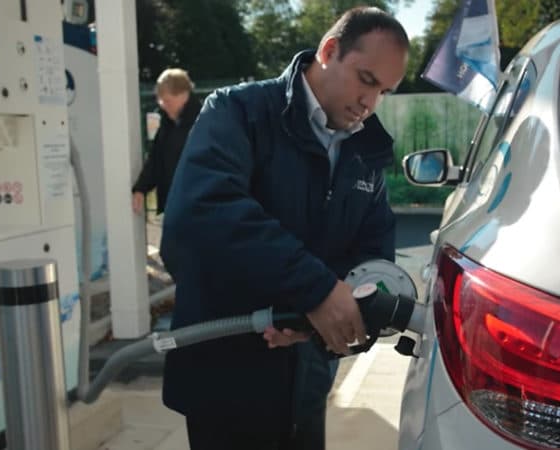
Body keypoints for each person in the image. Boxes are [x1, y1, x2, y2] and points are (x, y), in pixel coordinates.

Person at [160, 7, 409, 450]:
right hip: (226, 379)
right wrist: (313, 290)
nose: (370, 103)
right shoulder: (240, 112)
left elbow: (372, 256)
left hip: (306, 380)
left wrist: (326, 321)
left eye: (384, 91)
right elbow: (203, 214)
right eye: (366, 80)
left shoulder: (367, 149)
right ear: (329, 51)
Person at [131, 68, 201, 216]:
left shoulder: (203, 124)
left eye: (167, 100)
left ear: (183, 95)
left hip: (198, 207)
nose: (162, 104)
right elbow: (156, 159)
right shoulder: (167, 125)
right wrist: (140, 188)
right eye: (160, 100)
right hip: (173, 206)